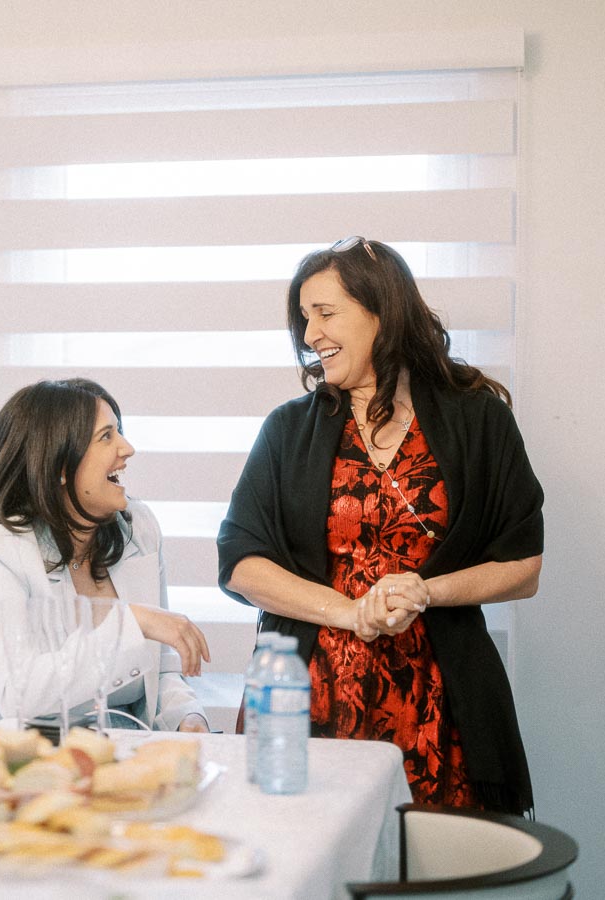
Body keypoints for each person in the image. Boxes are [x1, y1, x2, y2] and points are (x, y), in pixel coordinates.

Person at [218, 237, 543, 813]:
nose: (310, 333)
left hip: (441, 702)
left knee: (431, 871)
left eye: (325, 313)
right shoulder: (288, 430)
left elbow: (522, 566)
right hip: (310, 696)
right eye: (303, 319)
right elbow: (242, 563)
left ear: (381, 312)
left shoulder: (478, 417)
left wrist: (425, 591)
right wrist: (348, 612)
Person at [0, 378, 211, 733]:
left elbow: (163, 668)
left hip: (124, 761)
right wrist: (132, 624)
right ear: (60, 466)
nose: (127, 448)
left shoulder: (138, 528)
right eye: (106, 436)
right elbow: (17, 693)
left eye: (119, 431)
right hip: (23, 766)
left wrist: (187, 716)